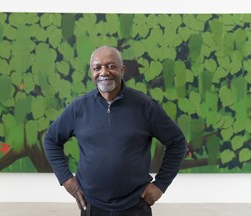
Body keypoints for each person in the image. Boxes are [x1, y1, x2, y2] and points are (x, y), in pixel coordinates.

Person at [43, 46, 187, 216]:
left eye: (111, 66)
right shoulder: (79, 107)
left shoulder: (145, 106)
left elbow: (177, 142)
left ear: (122, 70)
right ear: (91, 73)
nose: (104, 72)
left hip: (135, 206)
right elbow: (51, 140)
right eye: (97, 68)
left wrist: (161, 184)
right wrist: (67, 181)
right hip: (91, 206)